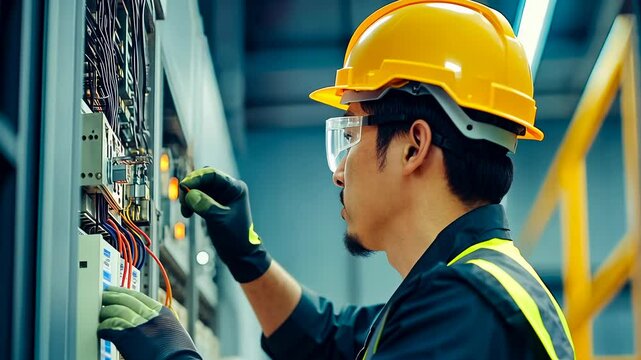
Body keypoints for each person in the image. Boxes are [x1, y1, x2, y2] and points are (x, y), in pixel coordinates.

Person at [98, 0, 576, 359]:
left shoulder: (466, 311)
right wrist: (246, 256)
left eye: (351, 132)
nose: (338, 170)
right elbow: (324, 341)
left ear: (414, 145)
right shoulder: (456, 294)